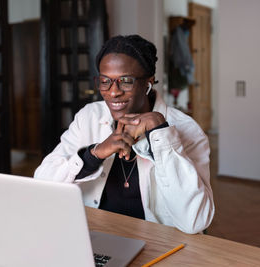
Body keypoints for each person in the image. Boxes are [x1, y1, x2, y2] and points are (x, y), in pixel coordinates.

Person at [34, 34, 214, 234]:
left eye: (125, 81)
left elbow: (196, 221)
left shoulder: (187, 130)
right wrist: (95, 154)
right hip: (93, 235)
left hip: (160, 243)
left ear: (148, 83)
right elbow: (42, 183)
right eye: (105, 81)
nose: (113, 92)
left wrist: (159, 131)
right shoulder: (89, 117)